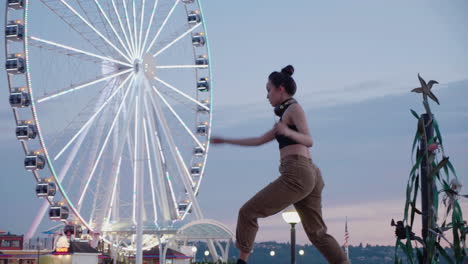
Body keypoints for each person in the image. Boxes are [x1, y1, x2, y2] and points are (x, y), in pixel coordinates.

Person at [210, 65, 349, 264]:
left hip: (297, 172)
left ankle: (241, 261)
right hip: (308, 174)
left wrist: (288, 132)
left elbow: (309, 140)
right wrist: (225, 141)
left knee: (247, 212)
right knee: (317, 234)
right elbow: (258, 141)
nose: (267, 96)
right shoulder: (284, 118)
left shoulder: (294, 108)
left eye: (269, 90)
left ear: (280, 89)